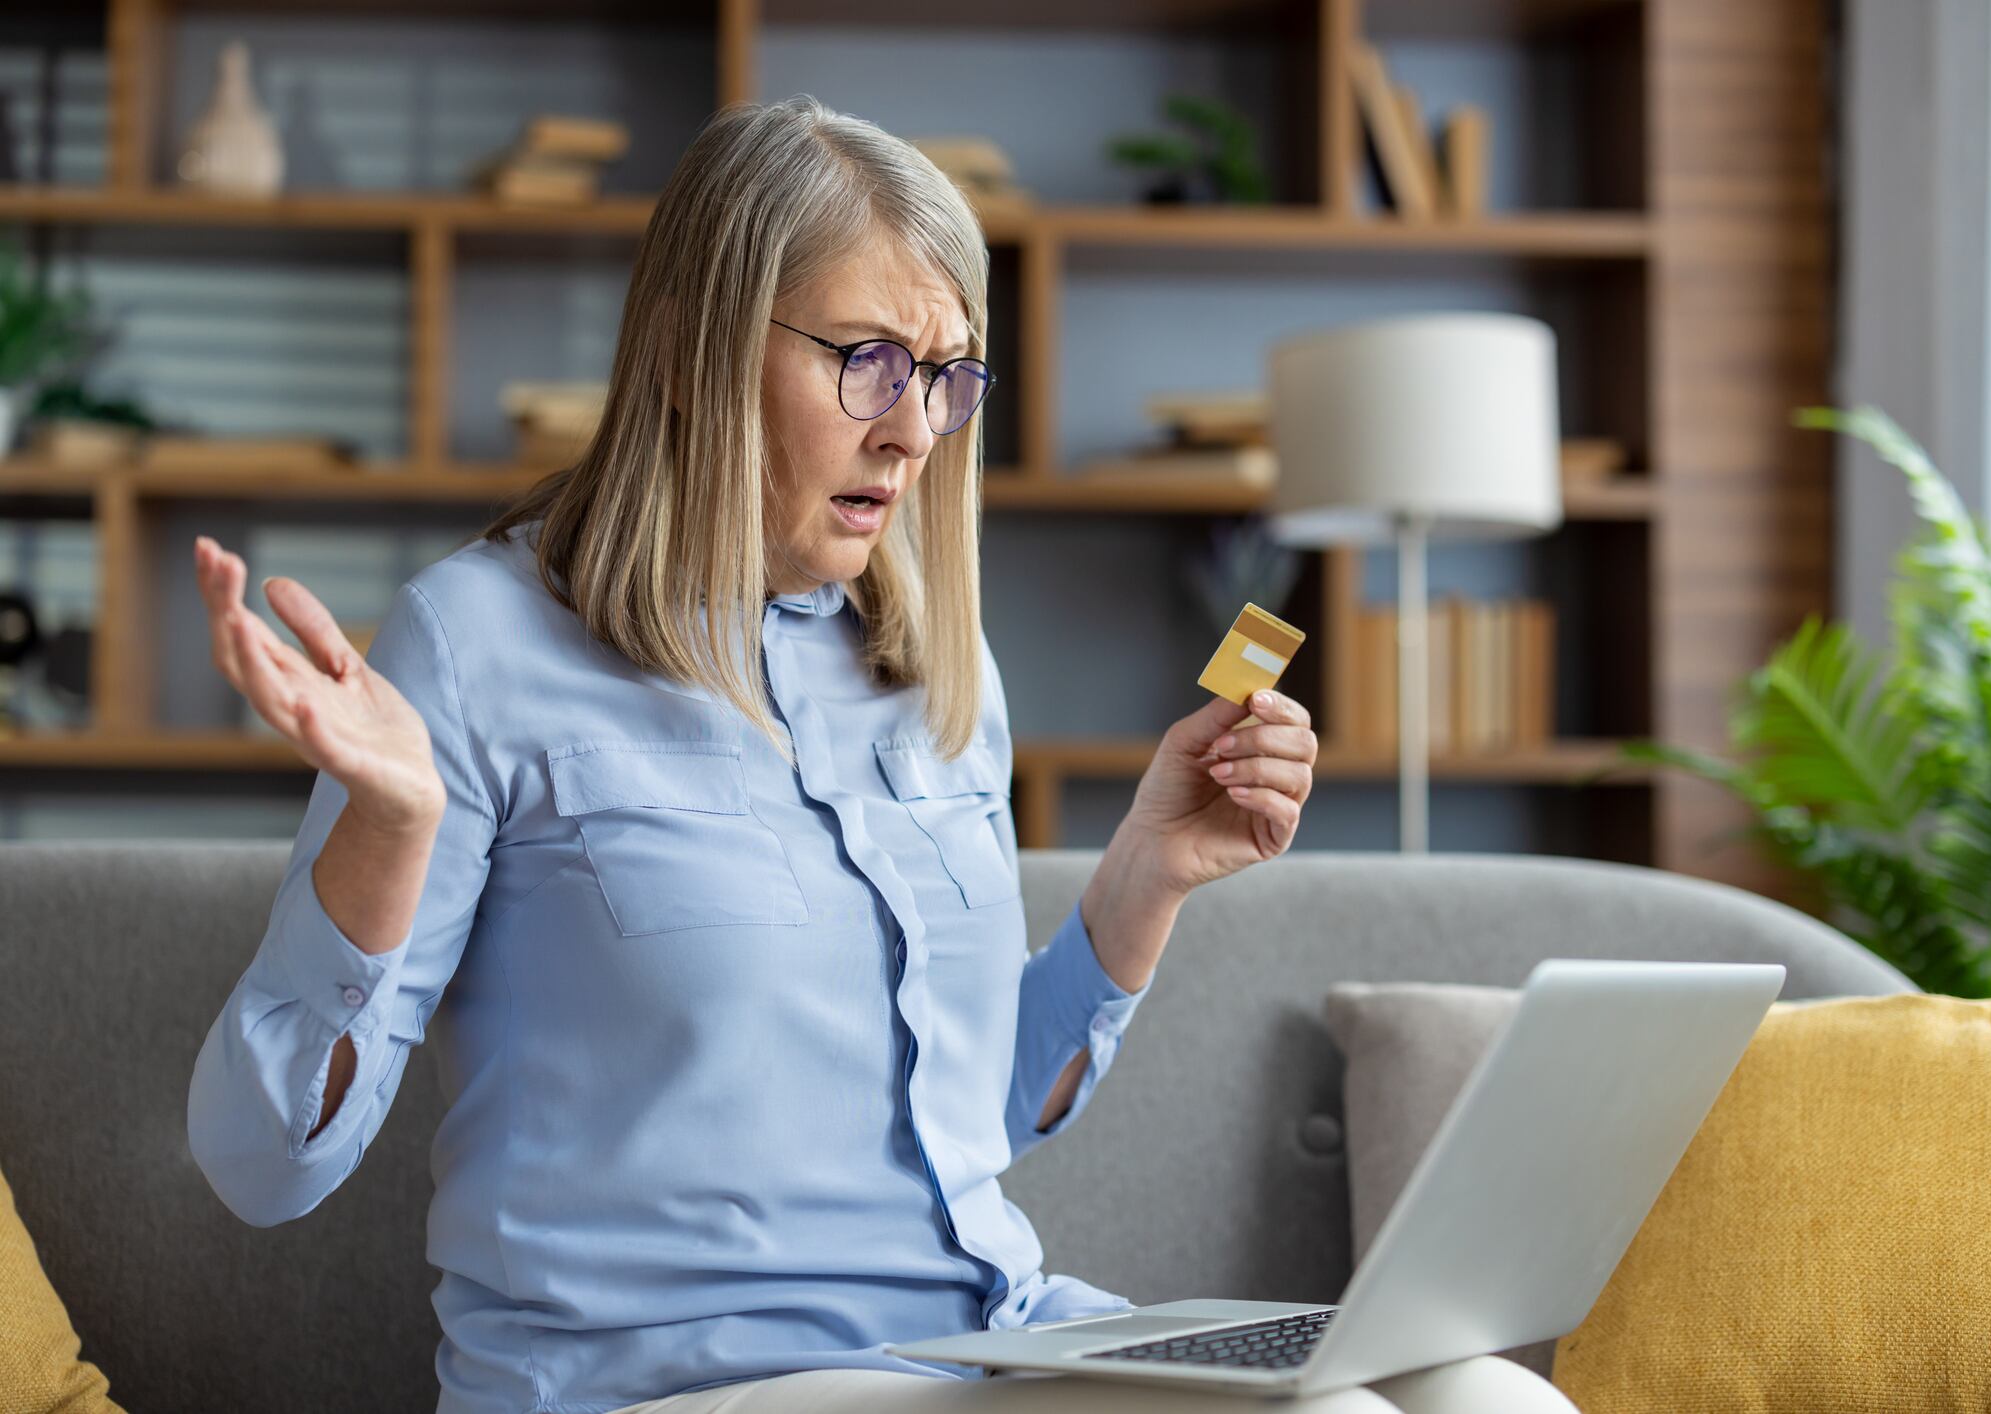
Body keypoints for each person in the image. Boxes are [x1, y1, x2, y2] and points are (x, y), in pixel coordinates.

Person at [184, 95, 1550, 1414]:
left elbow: (972, 1121)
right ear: (694, 351)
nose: (912, 430)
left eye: (946, 377)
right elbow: (259, 1164)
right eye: (868, 360)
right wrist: (389, 833)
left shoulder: (929, 667)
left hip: (989, 1347)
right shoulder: (479, 639)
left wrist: (1147, 873)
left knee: (1492, 1393)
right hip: (671, 1386)